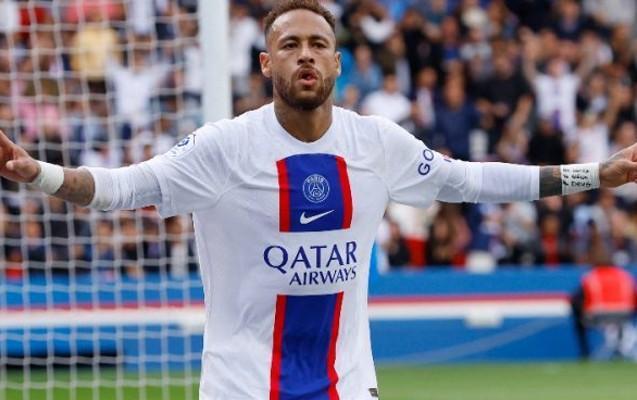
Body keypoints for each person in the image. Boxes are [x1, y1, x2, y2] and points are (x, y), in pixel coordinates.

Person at [2, 0, 637, 398]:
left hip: (347, 384)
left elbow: (472, 180)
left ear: (337, 63)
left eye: (317, 45)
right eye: (290, 45)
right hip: (243, 387)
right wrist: (40, 174)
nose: (305, 56)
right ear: (265, 64)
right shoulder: (224, 148)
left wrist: (593, 175)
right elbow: (123, 188)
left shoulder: (377, 144)